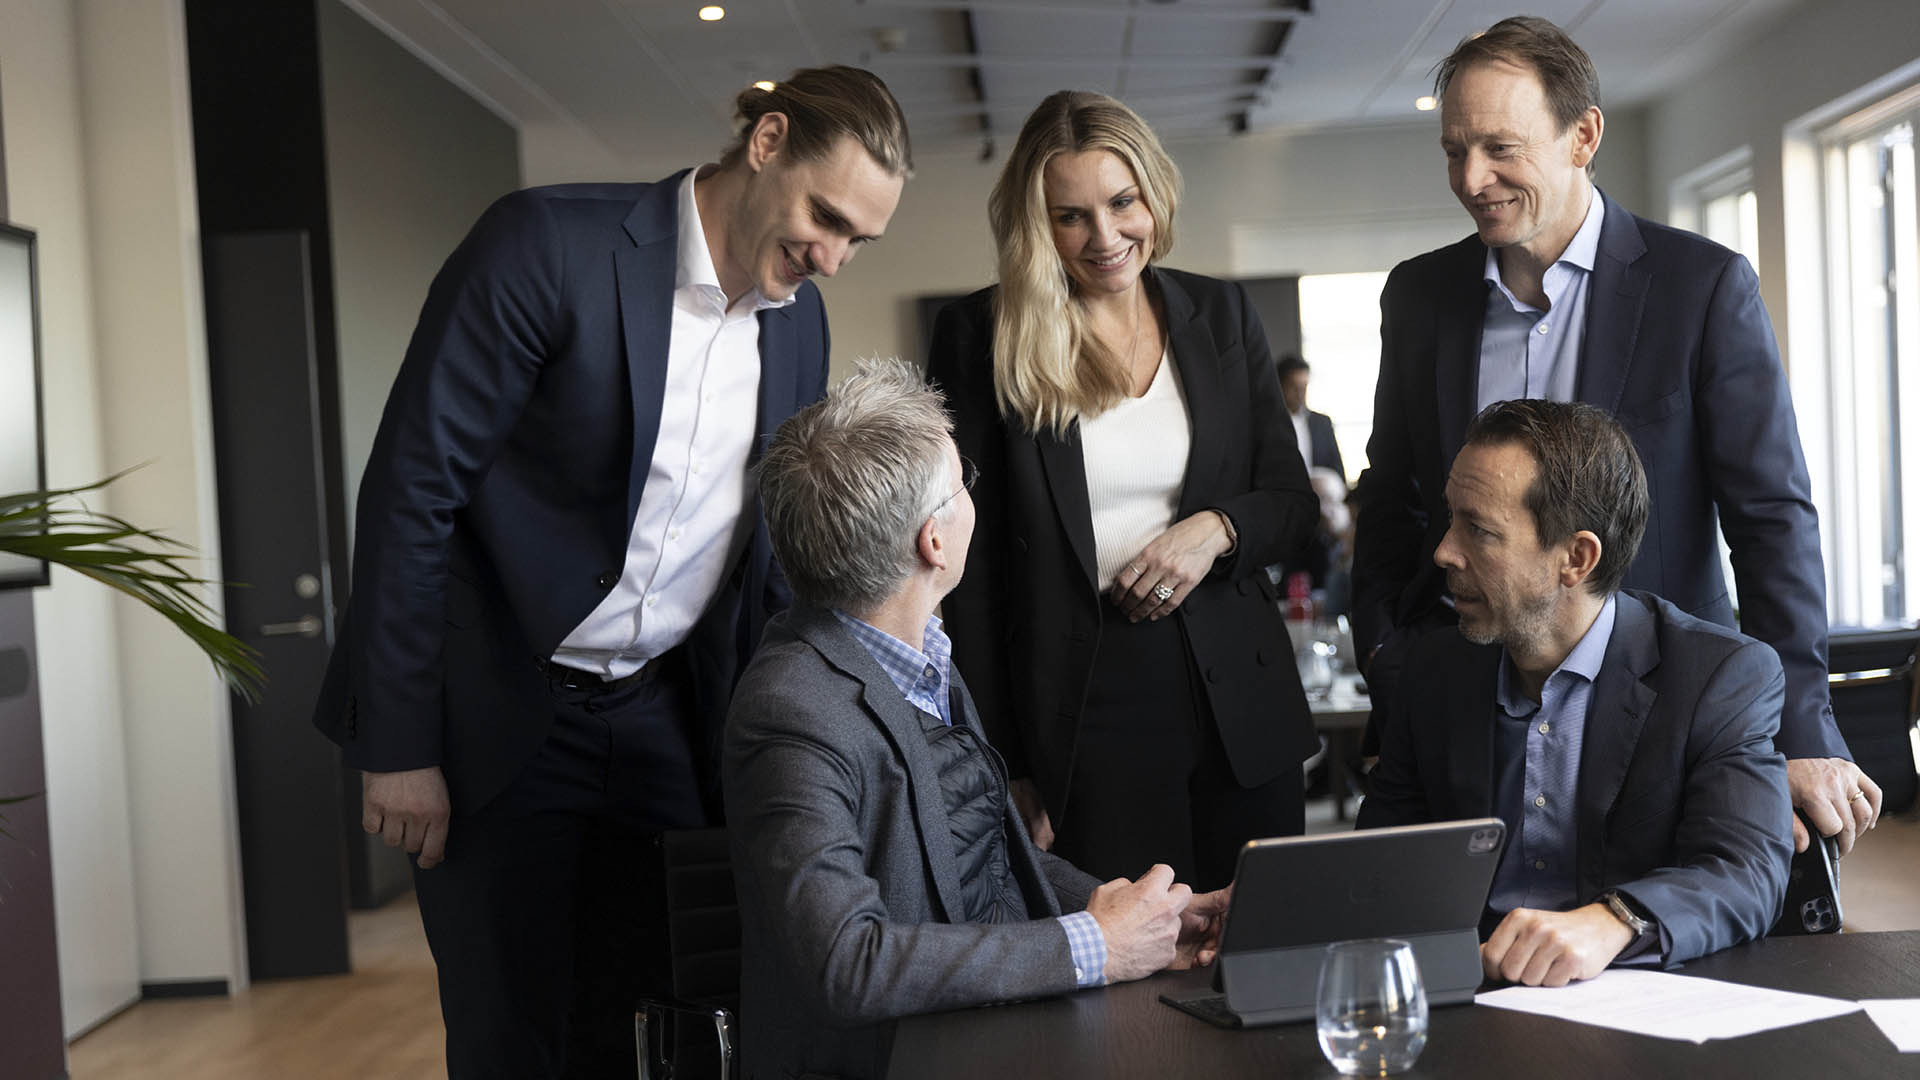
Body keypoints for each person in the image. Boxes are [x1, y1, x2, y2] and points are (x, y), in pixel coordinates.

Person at [309, 67, 911, 1076]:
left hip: (663, 718)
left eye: (860, 241)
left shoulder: (798, 322)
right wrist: (399, 743)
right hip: (497, 711)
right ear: (766, 143)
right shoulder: (545, 246)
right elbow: (414, 492)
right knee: (513, 1039)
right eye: (825, 218)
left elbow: (767, 564)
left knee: (667, 1023)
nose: (833, 259)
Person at [1351, 15, 1881, 857]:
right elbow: (1391, 501)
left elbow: (1770, 517)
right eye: (1455, 151)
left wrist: (1799, 727)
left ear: (1583, 135)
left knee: (1666, 924)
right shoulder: (1420, 298)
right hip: (1470, 705)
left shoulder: (1700, 286)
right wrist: (1390, 662)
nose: (1472, 178)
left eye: (1499, 148)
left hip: (1665, 707)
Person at [728, 359, 1229, 1079]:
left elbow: (981, 848)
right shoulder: (792, 712)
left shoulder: (921, 651)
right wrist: (1093, 945)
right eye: (962, 479)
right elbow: (846, 961)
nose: (973, 494)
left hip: (997, 1027)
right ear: (933, 541)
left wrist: (1134, 918)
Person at [926, 91, 1320, 892]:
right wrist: (1004, 757)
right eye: (1070, 216)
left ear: (1154, 195)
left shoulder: (1220, 311)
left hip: (1241, 699)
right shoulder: (983, 335)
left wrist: (1215, 530)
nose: (1104, 238)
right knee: (1135, 950)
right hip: (1087, 711)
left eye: (1121, 202)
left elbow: (1290, 501)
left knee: (1264, 937)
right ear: (1037, 225)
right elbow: (973, 576)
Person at [1358, 399, 1793, 985]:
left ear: (1577, 558)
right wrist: (1282, 905)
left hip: (1636, 994)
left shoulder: (1717, 676)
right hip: (1471, 990)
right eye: (1450, 519)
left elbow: (1747, 873)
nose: (1444, 551)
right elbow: (1379, 861)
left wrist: (1616, 920)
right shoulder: (1434, 668)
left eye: (1478, 530)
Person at [1278, 353, 1346, 478]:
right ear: (1280, 386)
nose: (1300, 393)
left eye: (1304, 387)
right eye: (1293, 387)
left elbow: (1337, 469)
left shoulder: (1322, 423)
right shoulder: (1268, 425)